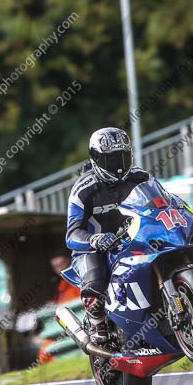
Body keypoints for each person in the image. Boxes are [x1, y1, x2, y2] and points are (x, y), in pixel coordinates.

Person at [65, 127, 151, 344]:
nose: (119, 166)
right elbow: (71, 234)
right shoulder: (83, 189)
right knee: (95, 282)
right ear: (96, 159)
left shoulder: (141, 177)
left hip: (132, 239)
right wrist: (94, 240)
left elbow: (163, 201)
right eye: (111, 160)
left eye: (123, 157)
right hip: (94, 249)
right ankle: (97, 324)